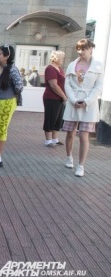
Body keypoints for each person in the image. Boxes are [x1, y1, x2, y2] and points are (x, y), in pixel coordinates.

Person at [62, 39, 104, 177]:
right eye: (78, 49)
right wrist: (73, 100)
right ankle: (69, 157)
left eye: (84, 49)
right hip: (73, 102)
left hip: (89, 105)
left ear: (91, 49)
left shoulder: (98, 65)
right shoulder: (72, 65)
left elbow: (98, 86)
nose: (81, 52)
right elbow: (67, 84)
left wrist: (87, 101)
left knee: (84, 136)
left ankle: (81, 166)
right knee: (70, 132)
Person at [0, 44, 24, 167]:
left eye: (0, 53)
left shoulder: (12, 69)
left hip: (6, 102)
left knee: (1, 129)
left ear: (7, 56)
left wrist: (9, 94)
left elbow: (19, 86)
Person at [43, 50, 67, 148]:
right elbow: (53, 85)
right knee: (50, 117)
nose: (63, 60)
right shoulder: (50, 69)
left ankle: (55, 139)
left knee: (58, 119)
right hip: (51, 98)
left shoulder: (60, 69)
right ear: (57, 58)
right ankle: (48, 140)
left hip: (59, 98)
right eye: (62, 58)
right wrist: (64, 96)